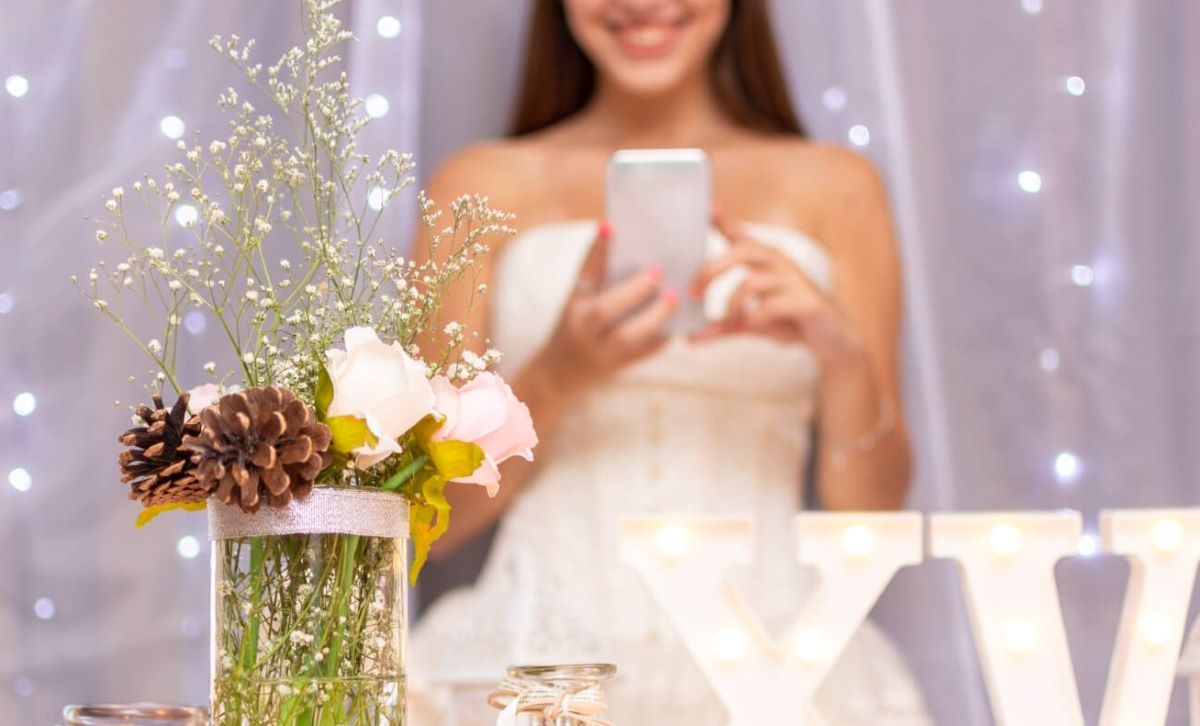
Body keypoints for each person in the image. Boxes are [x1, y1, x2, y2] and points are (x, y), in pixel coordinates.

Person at [411, 0, 931, 722]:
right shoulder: (478, 184)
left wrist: (839, 354)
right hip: (536, 668)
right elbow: (430, 520)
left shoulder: (838, 186)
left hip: (783, 664)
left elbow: (872, 517)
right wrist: (558, 375)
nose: (642, 4)